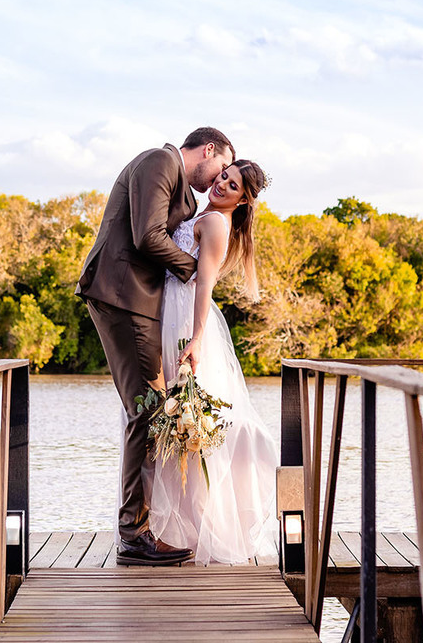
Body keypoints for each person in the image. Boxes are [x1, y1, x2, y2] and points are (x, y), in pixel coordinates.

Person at [76, 127, 234, 566]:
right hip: (122, 294)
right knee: (146, 410)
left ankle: (141, 528)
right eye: (221, 167)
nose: (218, 178)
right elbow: (147, 235)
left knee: (152, 409)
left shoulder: (183, 192)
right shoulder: (159, 161)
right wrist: (195, 271)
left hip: (138, 301)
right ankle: (134, 534)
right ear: (208, 150)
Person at [149, 159, 278, 565]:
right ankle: (175, 528)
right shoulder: (200, 212)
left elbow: (204, 283)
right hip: (167, 310)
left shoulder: (217, 224)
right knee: (174, 423)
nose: (221, 183)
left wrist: (196, 339)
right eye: (224, 175)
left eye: (233, 185)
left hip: (183, 318)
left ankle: (193, 527)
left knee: (186, 425)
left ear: (243, 200)